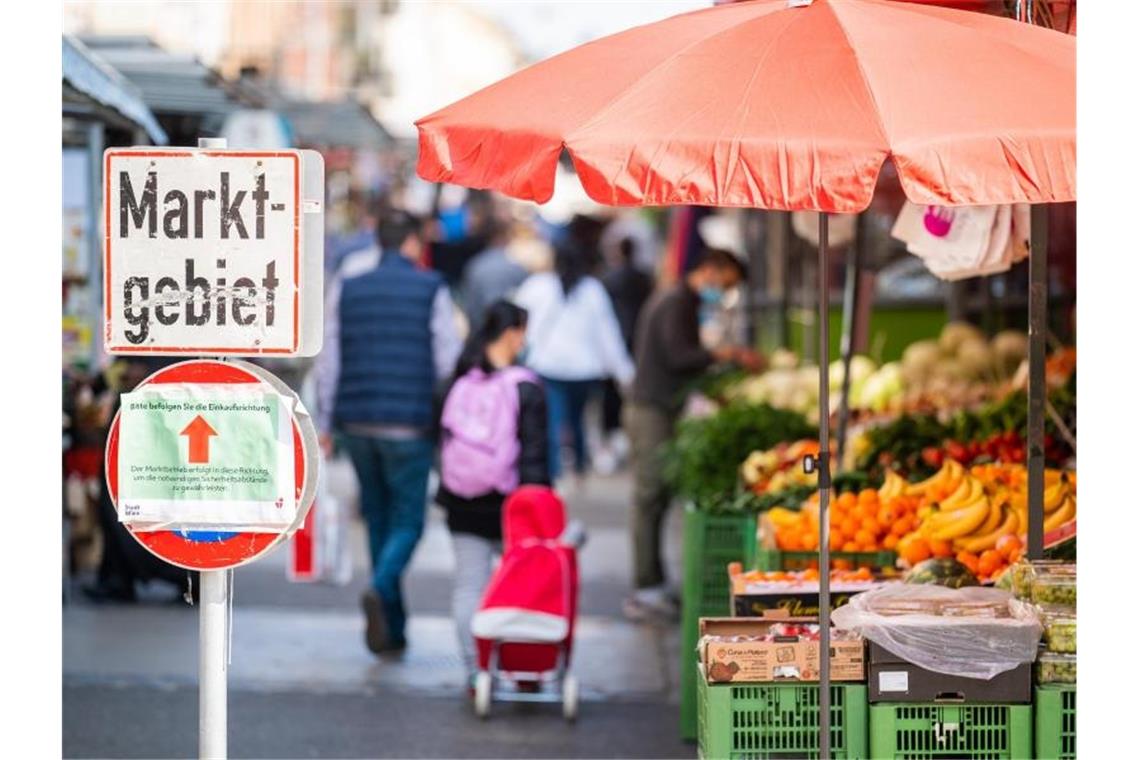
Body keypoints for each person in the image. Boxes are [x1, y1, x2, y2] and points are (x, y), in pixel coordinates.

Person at [317, 208, 463, 654]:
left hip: (356, 423)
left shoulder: (348, 287)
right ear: (412, 244)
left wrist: (325, 421)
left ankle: (393, 628)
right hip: (409, 422)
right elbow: (446, 360)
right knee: (409, 521)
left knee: (378, 518)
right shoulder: (431, 288)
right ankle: (380, 586)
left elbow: (329, 362)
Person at [623, 214, 764, 622]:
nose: (727, 291)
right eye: (729, 282)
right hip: (650, 409)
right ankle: (644, 588)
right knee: (649, 496)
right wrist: (726, 355)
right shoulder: (677, 302)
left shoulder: (681, 300)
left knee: (657, 496)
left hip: (660, 407)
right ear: (712, 270)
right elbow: (679, 356)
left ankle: (651, 583)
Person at [435, 300, 549, 681]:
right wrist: (541, 507)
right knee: (524, 587)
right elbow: (534, 458)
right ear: (514, 333)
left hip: (461, 500)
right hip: (511, 507)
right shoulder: (526, 387)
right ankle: (522, 668)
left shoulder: (458, 378)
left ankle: (475, 671)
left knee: (469, 586)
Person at [513, 240, 635, 482]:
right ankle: (578, 467)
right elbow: (608, 334)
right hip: (584, 371)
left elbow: (518, 323)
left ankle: (555, 473)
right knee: (576, 419)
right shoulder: (592, 290)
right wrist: (624, 372)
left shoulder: (538, 286)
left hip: (548, 366)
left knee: (554, 420)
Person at [599, 237, 654, 472]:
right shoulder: (644, 278)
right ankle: (624, 437)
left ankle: (616, 436)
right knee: (633, 388)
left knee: (612, 393)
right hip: (637, 337)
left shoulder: (609, 278)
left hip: (617, 336)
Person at [459, 218, 528, 327]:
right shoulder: (516, 267)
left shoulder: (473, 265)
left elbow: (468, 305)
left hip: (480, 332)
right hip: (506, 334)